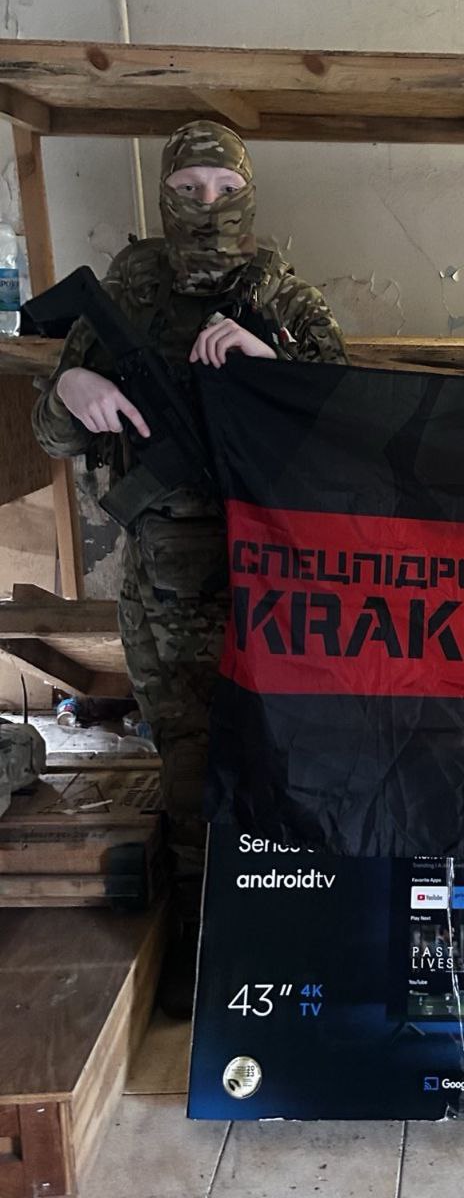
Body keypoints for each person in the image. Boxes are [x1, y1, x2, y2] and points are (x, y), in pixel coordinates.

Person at [32, 120, 348, 1016]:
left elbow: (348, 425)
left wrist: (270, 366)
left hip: (275, 578)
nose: (208, 204)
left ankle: (280, 942)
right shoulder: (127, 294)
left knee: (282, 762)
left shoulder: (286, 299)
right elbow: (50, 435)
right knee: (185, 766)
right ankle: (201, 947)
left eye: (224, 188)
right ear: (166, 193)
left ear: (248, 193)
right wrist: (70, 390)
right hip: (165, 584)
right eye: (189, 188)